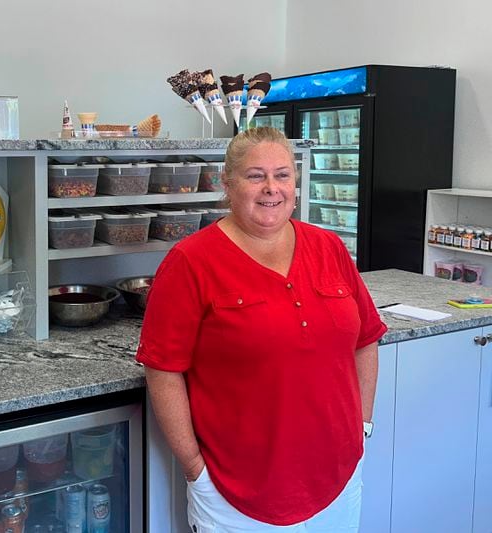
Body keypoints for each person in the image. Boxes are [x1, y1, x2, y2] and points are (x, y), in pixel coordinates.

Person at [136, 127, 387, 532]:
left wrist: (362, 428)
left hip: (338, 478)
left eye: (282, 175)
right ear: (228, 183)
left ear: (296, 181)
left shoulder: (329, 248)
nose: (271, 188)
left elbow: (366, 340)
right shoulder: (191, 261)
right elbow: (163, 368)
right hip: (237, 491)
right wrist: (194, 468)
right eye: (256, 176)